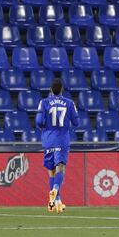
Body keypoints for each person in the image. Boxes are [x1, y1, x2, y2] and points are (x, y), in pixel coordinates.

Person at [35, 78, 79, 214]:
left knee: (51, 171)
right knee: (61, 167)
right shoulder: (69, 103)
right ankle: (55, 190)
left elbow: (39, 122)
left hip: (48, 139)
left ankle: (56, 202)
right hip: (62, 139)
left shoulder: (44, 102)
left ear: (50, 89)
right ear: (62, 89)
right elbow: (76, 123)